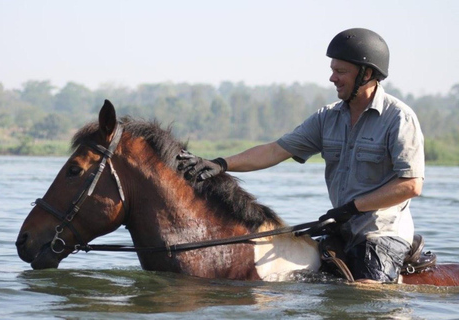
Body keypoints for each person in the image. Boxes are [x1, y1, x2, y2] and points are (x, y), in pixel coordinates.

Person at [177, 28, 425, 283]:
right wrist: (220, 164)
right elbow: (275, 150)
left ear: (367, 74)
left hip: (381, 233)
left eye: (341, 72)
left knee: (362, 293)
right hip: (341, 230)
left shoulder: (399, 118)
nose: (332, 78)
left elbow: (411, 185)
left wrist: (352, 208)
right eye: (332, 70)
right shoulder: (326, 117)